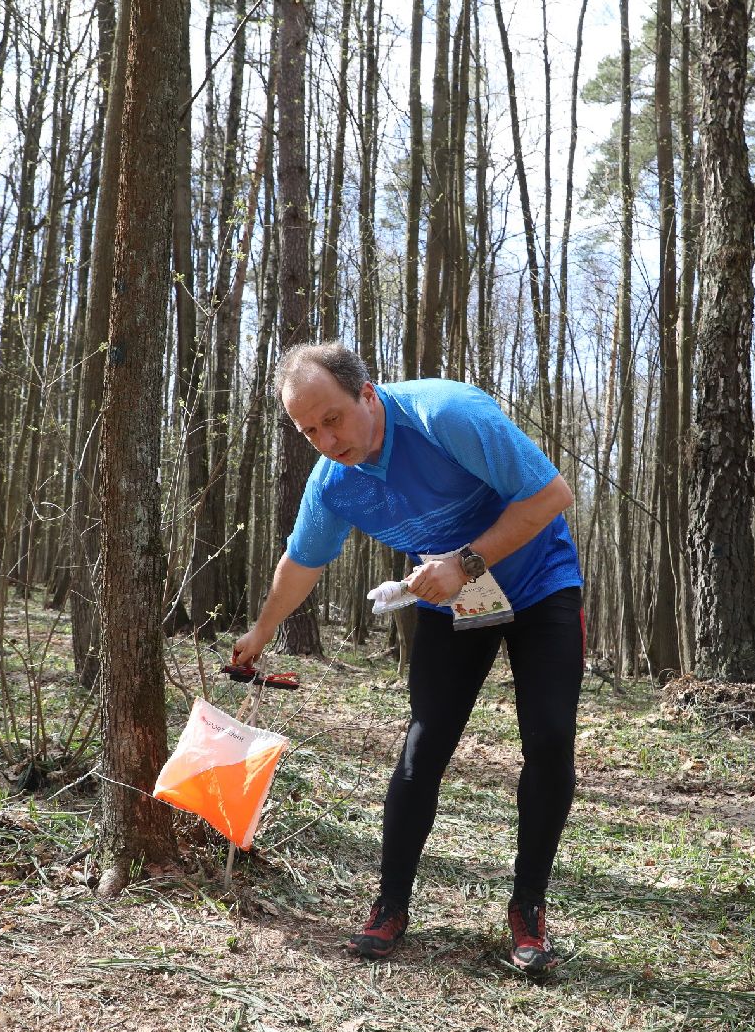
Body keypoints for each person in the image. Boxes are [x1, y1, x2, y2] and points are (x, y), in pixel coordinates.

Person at [231, 341, 584, 975]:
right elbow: (302, 563)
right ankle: (391, 903)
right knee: (425, 745)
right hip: (453, 596)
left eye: (332, 419)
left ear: (368, 393)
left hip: (540, 583)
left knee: (550, 739)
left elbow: (553, 496)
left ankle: (527, 909)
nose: (325, 439)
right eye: (308, 430)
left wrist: (465, 561)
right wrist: (260, 633)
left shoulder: (447, 416)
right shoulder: (333, 482)